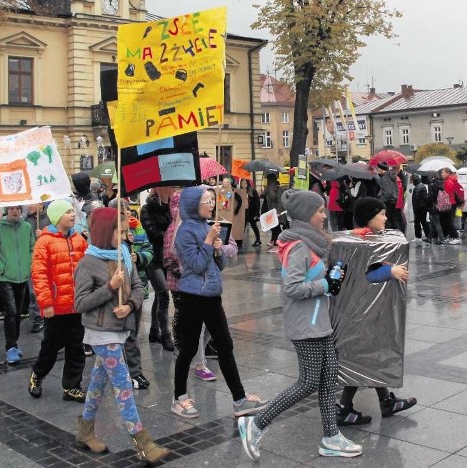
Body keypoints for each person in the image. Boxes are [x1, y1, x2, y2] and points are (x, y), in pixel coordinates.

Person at [238, 189, 362, 461]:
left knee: (329, 380)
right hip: (305, 324)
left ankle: (331, 438)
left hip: (320, 321)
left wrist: (330, 278)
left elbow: (314, 278)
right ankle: (256, 423)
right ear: (306, 215)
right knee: (307, 383)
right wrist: (325, 284)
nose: (324, 215)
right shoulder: (298, 247)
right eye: (319, 211)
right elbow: (292, 287)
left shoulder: (313, 243)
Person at [74, 208, 169, 464]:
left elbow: (137, 286)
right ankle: (143, 442)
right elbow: (80, 303)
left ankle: (85, 430)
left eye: (126, 230)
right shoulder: (87, 263)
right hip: (102, 333)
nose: (126, 236)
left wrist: (130, 305)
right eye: (121, 231)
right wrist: (110, 288)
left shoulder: (124, 254)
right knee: (123, 386)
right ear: (106, 231)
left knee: (96, 384)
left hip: (120, 328)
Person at [171, 186, 267, 419]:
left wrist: (218, 249)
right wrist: (208, 241)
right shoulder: (185, 231)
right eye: (206, 200)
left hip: (212, 295)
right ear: (193, 204)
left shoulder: (209, 227)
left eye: (212, 200)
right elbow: (195, 265)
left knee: (225, 345)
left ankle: (239, 398)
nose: (211, 204)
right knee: (189, 348)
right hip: (193, 297)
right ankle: (179, 397)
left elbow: (218, 265)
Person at [336, 197, 417, 425]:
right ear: (369, 218)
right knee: (361, 357)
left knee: (370, 354)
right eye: (381, 214)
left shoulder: (369, 239)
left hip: (366, 314)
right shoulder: (358, 242)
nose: (386, 217)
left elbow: (373, 265)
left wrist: (387, 266)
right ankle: (343, 407)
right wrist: (389, 273)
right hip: (358, 314)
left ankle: (386, 401)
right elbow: (363, 278)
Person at [28, 200, 88, 402]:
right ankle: (38, 373)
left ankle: (72, 386)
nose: (72, 215)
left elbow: (87, 268)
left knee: (76, 347)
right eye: (67, 212)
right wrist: (46, 304)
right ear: (56, 217)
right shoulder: (44, 242)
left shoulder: (80, 240)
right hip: (55, 306)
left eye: (73, 211)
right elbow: (39, 275)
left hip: (77, 304)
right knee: (51, 347)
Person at [109, 198, 153, 390]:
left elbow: (149, 250)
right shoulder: (109, 239)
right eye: (120, 212)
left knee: (132, 334)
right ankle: (123, 372)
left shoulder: (138, 230)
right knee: (120, 336)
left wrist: (139, 257)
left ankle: (135, 372)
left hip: (137, 289)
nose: (125, 214)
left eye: (126, 210)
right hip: (117, 294)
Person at [0, 205, 35, 365]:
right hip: (5, 278)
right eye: (11, 208)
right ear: (6, 210)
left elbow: (32, 248)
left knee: (17, 313)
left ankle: (14, 343)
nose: (15, 211)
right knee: (11, 312)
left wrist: (30, 264)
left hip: (22, 277)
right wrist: (1, 267)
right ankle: (10, 346)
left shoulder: (27, 227)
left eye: (18, 208)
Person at [140, 187, 174, 351]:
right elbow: (152, 232)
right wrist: (172, 233)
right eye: (170, 188)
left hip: (169, 256)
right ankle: (165, 335)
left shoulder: (172, 207)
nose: (173, 191)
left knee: (160, 297)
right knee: (163, 294)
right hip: (153, 257)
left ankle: (154, 331)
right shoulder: (147, 208)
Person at [24, 203, 50, 333]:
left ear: (40, 204)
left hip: (47, 259)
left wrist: (44, 235)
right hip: (32, 261)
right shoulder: (26, 220)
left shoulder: (50, 218)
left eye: (31, 203)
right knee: (32, 291)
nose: (28, 206)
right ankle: (37, 317)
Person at [262, 172, 285, 252]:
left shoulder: (278, 189)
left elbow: (280, 201)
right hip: (270, 213)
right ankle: (277, 244)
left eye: (268, 179)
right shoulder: (268, 189)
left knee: (277, 229)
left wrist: (278, 212)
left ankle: (278, 245)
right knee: (274, 228)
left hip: (276, 213)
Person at [439, 167, 463, 244]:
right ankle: (451, 236)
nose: (442, 174)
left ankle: (455, 237)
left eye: (443, 172)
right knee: (448, 221)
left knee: (449, 221)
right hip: (451, 203)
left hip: (449, 203)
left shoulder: (448, 181)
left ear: (447, 173)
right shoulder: (449, 180)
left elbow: (447, 193)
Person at [427, 176, 449, 245]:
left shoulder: (433, 186)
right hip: (443, 207)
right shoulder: (444, 185)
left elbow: (430, 197)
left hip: (435, 207)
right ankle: (429, 238)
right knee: (434, 224)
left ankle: (442, 240)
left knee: (437, 224)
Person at [376, 162, 399, 229]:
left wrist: (380, 201)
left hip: (388, 202)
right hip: (394, 201)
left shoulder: (384, 178)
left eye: (378, 168)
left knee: (386, 221)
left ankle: (389, 237)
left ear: (382, 169)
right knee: (392, 220)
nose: (377, 169)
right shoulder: (391, 176)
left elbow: (388, 193)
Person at [411, 174, 431, 242]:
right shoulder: (421, 185)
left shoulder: (417, 188)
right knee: (423, 221)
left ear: (414, 180)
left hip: (419, 208)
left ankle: (418, 237)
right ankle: (428, 235)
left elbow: (416, 200)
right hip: (423, 208)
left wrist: (415, 209)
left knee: (417, 222)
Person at [233, 179, 249, 251]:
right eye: (242, 183)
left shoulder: (250, 191)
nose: (244, 184)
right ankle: (237, 242)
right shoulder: (236, 191)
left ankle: (239, 243)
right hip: (238, 213)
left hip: (247, 211)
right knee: (238, 227)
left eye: (245, 183)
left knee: (242, 228)